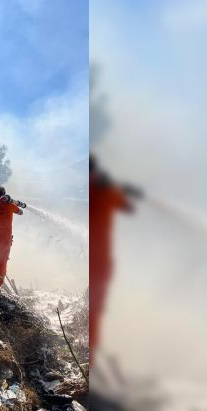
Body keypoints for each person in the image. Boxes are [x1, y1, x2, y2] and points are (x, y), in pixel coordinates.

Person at [89, 156, 140, 364]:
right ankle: (92, 356)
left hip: (96, 259)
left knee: (94, 307)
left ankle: (92, 356)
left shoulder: (102, 187)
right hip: (101, 259)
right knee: (96, 308)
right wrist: (123, 190)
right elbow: (129, 208)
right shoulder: (106, 189)